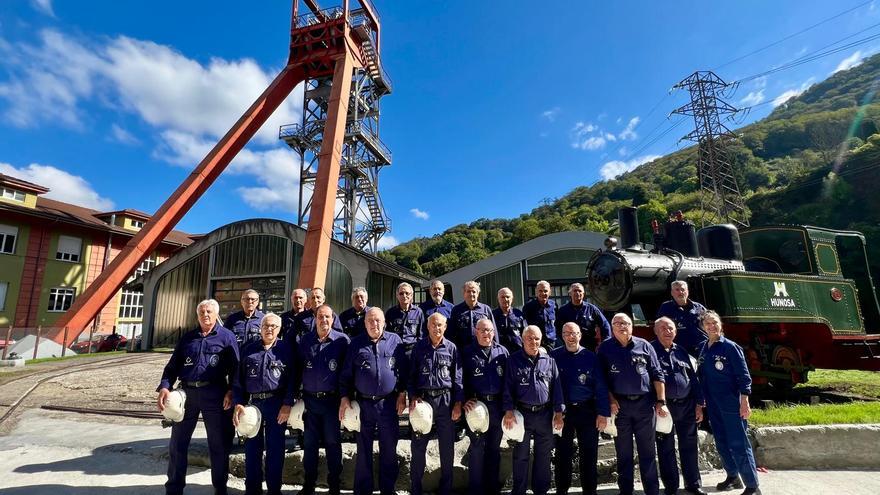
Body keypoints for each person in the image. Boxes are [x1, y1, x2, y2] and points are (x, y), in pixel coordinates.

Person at [157, 299, 239, 495]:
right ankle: (174, 489)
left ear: (217, 314)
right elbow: (172, 367)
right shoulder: (187, 338)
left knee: (218, 445)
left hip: (216, 395)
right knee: (177, 444)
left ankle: (220, 488)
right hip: (187, 396)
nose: (205, 315)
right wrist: (165, 387)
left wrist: (231, 391)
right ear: (197, 315)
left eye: (209, 311)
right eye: (202, 312)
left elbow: (236, 370)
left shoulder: (227, 337)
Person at [339, 307, 408, 495]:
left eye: (378, 320)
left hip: (388, 404)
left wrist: (402, 394)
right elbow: (346, 375)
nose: (374, 324)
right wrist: (345, 397)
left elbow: (404, 370)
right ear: (365, 323)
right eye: (370, 320)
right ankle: (363, 489)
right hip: (363, 405)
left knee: (389, 448)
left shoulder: (395, 341)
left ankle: (388, 489)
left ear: (384, 322)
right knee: (363, 449)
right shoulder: (355, 344)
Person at [598, 313, 667, 495]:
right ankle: (626, 490)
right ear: (612, 327)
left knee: (648, 451)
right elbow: (601, 379)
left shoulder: (644, 345)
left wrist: (661, 401)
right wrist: (610, 400)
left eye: (626, 323)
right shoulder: (605, 348)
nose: (622, 326)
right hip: (620, 407)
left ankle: (651, 490)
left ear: (632, 326)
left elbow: (657, 373)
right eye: (618, 323)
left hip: (645, 405)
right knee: (623, 452)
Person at [232, 313, 294, 495]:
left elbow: (292, 379)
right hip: (253, 406)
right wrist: (238, 403)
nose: (269, 329)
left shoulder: (286, 349)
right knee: (252, 449)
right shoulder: (248, 349)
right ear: (260, 328)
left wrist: (287, 403)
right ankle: (253, 489)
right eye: (266, 325)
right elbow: (238, 380)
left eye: (273, 326)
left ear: (279, 329)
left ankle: (274, 489)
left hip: (277, 405)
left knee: (276, 449)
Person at [698, 311, 759, 495]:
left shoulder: (730, 347)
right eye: (707, 323)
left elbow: (744, 376)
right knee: (722, 442)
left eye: (714, 322)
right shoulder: (703, 348)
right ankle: (733, 476)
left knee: (739, 442)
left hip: (731, 402)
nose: (711, 326)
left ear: (720, 324)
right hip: (713, 403)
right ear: (703, 327)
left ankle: (752, 485)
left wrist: (744, 400)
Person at [503, 325, 564, 495]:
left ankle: (541, 490)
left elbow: (556, 389)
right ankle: (519, 491)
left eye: (537, 338)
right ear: (523, 340)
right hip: (522, 414)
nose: (533, 342)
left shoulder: (549, 361)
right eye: (529, 338)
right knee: (521, 455)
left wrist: (559, 414)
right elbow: (507, 388)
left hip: (544, 415)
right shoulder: (513, 361)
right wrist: (508, 411)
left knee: (543, 456)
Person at [295, 304, 350, 495]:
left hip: (332, 402)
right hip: (310, 402)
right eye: (320, 317)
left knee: (333, 444)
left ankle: (334, 485)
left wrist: (346, 398)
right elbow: (297, 370)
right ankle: (309, 484)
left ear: (333, 320)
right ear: (315, 319)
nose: (324, 320)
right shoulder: (305, 341)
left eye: (327, 317)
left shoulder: (342, 341)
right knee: (309, 445)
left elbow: (347, 373)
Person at [551, 322, 610, 495]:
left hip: (587, 410)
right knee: (562, 454)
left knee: (589, 453)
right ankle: (562, 489)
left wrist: (602, 413)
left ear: (580, 335)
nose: (571, 336)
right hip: (563, 412)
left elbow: (600, 386)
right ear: (562, 336)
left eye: (574, 333)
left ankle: (590, 490)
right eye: (567, 333)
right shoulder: (554, 356)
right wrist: (555, 412)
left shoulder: (591, 357)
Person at [408, 312, 462, 495]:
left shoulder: (452, 348)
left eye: (440, 325)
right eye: (433, 325)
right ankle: (416, 489)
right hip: (423, 402)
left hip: (445, 402)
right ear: (428, 327)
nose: (437, 328)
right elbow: (412, 375)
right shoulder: (419, 348)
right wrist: (413, 396)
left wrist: (458, 403)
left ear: (445, 327)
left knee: (447, 448)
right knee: (418, 446)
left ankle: (445, 489)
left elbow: (458, 378)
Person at [651, 317, 707, 495]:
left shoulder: (681, 351)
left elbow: (693, 379)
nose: (668, 331)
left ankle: (693, 484)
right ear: (656, 331)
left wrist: (699, 403)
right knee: (665, 447)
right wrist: (656, 404)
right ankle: (671, 486)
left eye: (671, 328)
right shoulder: (650, 350)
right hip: (664, 407)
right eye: (664, 328)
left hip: (686, 405)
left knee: (690, 445)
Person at [461, 318, 509, 495]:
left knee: (494, 449)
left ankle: (492, 488)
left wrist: (509, 407)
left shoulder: (502, 352)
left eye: (489, 330)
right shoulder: (467, 353)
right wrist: (464, 398)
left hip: (497, 406)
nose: (486, 333)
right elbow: (460, 379)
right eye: (483, 330)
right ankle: (475, 489)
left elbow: (509, 382)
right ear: (476, 332)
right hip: (476, 407)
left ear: (493, 332)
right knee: (476, 448)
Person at [656, 281, 708, 357]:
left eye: (683, 289)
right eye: (677, 290)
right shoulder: (666, 308)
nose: (680, 292)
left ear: (687, 292)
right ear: (672, 293)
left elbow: (709, 325)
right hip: (679, 350)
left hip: (701, 349)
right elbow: (660, 328)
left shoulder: (699, 307)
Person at [555, 283, 610, 351]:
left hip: (589, 346)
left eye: (580, 291)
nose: (577, 293)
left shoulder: (592, 309)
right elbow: (557, 328)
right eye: (575, 291)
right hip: (570, 346)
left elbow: (605, 325)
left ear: (583, 294)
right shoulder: (563, 310)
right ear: (570, 293)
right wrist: (564, 342)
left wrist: (606, 342)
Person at [449, 280, 497, 349]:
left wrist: (495, 347)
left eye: (474, 292)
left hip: (482, 349)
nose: (471, 294)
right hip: (462, 350)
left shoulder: (486, 309)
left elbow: (493, 331)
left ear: (478, 294)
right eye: (468, 291)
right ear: (464, 293)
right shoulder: (456, 310)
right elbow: (451, 333)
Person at [385, 282, 425, 355]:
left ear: (412, 295)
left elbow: (421, 334)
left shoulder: (418, 312)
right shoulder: (390, 313)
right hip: (395, 350)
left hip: (413, 351)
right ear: (397, 296)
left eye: (407, 293)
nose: (404, 296)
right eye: (401, 293)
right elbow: (387, 333)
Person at [522, 280, 558, 349]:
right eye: (540, 291)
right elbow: (525, 327)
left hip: (552, 343)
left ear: (550, 292)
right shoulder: (528, 307)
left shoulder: (554, 305)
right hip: (536, 344)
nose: (543, 293)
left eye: (545, 291)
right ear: (536, 292)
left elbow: (556, 323)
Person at [493, 287, 527, 354]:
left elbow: (525, 332)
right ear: (498, 299)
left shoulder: (518, 314)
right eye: (502, 297)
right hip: (499, 352)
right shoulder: (492, 315)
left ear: (512, 298)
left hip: (517, 352)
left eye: (508, 297)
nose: (505, 299)